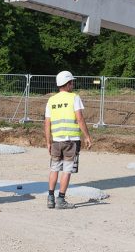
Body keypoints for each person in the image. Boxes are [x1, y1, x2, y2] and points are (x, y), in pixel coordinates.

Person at [45, 70, 92, 209]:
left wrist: (48, 141)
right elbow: (80, 118)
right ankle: (61, 200)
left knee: (54, 169)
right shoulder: (74, 98)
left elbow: (47, 123)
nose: (73, 84)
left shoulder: (51, 100)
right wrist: (87, 136)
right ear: (67, 83)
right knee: (67, 170)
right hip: (71, 141)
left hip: (56, 141)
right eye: (72, 82)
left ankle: (50, 198)